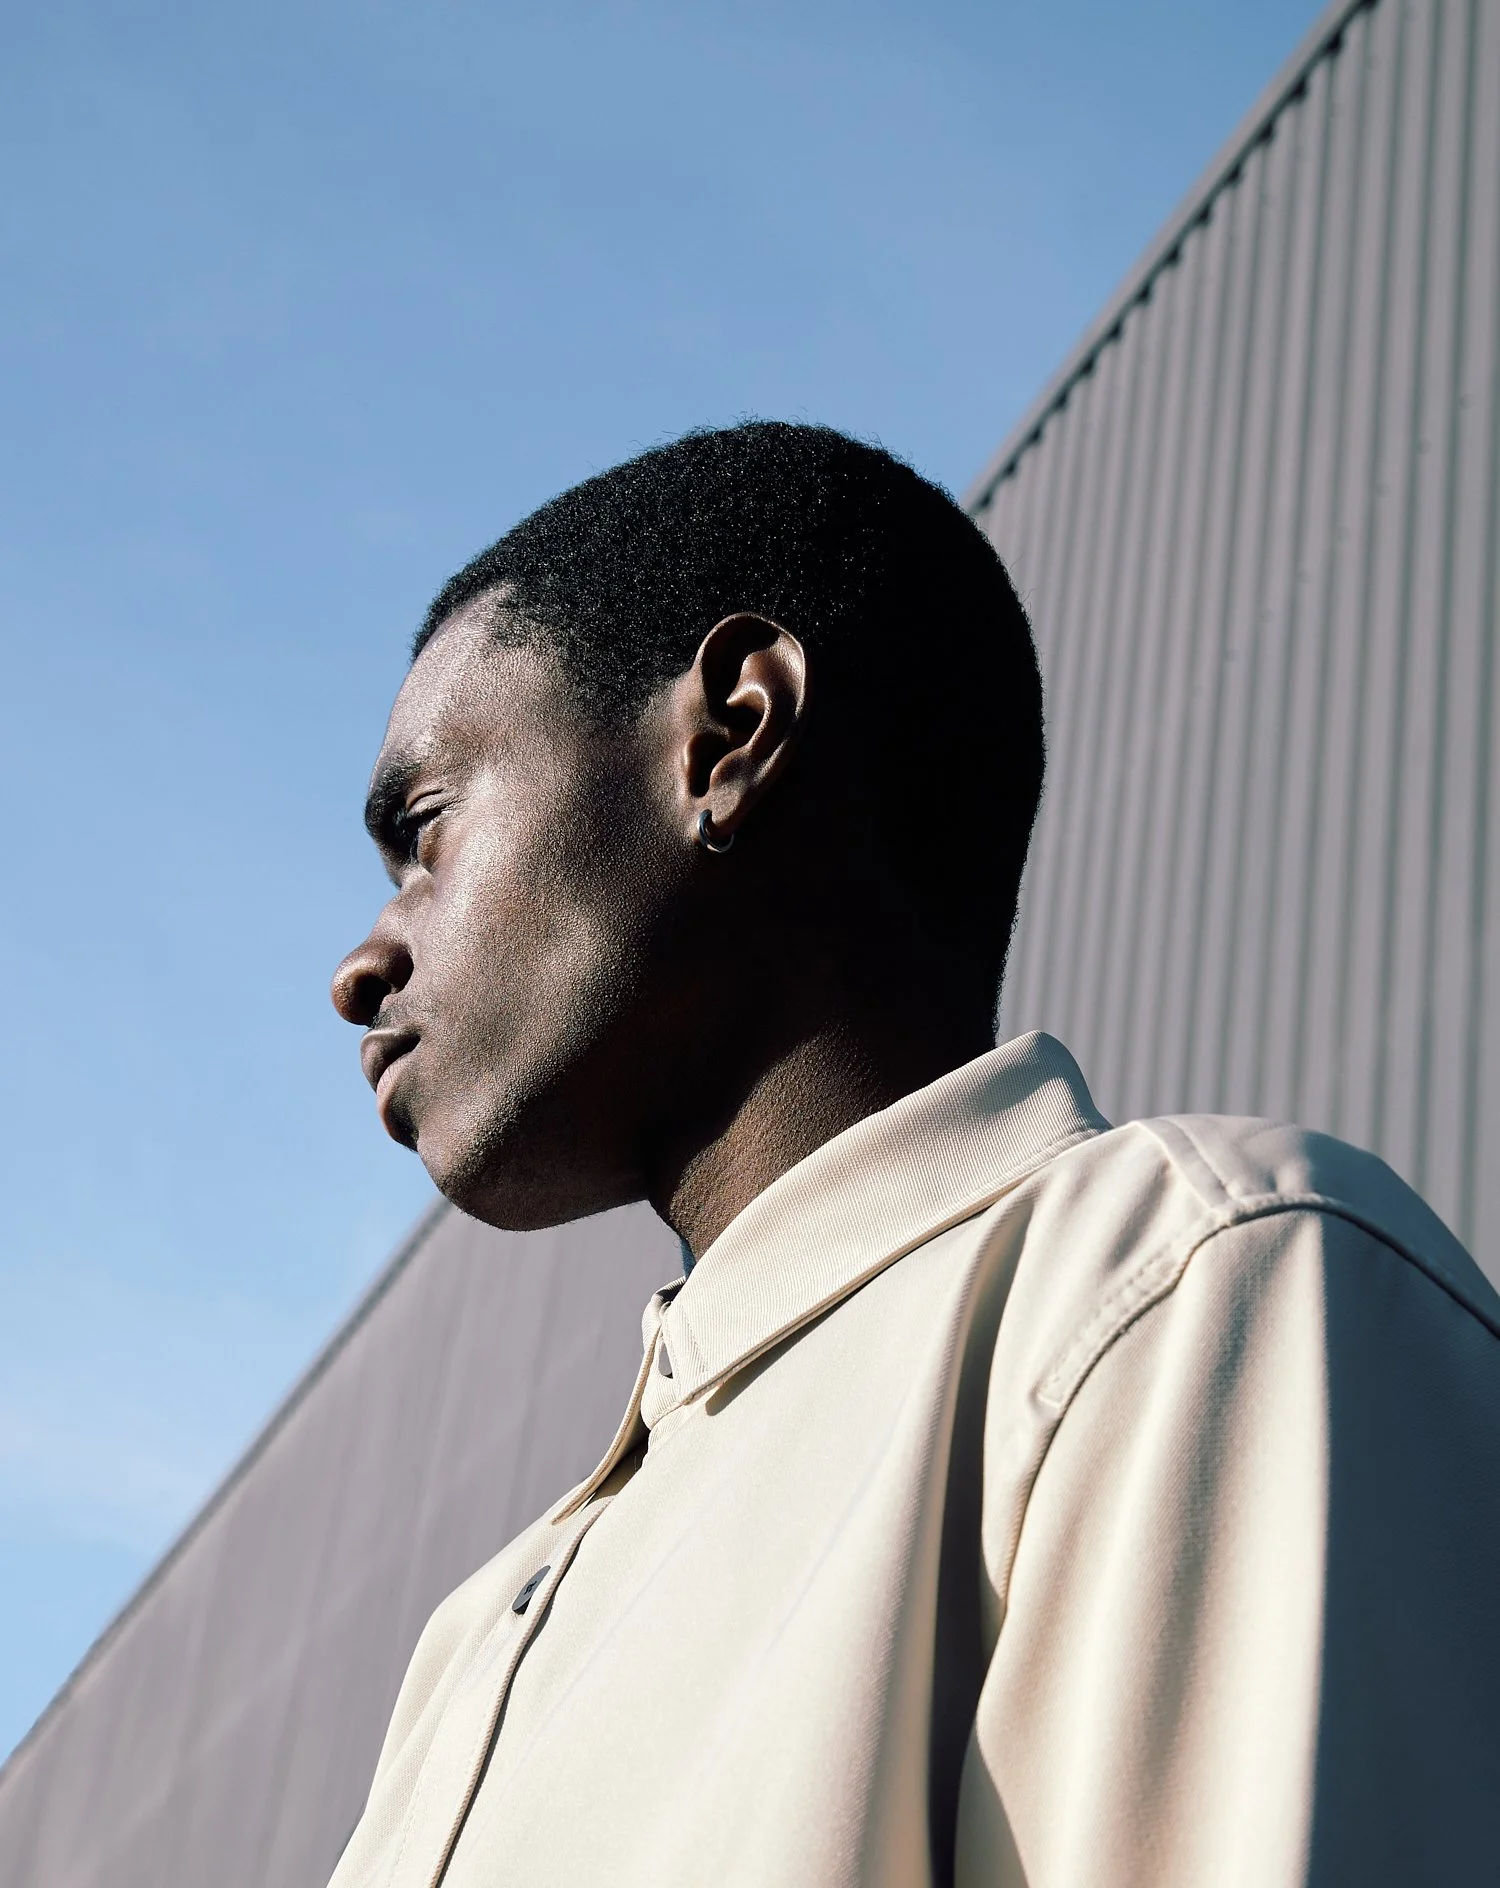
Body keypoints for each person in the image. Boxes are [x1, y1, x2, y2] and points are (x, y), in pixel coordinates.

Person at [327, 421, 1500, 1888]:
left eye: (424, 830)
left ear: (732, 733)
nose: (360, 967)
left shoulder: (1182, 1293)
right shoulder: (469, 1646)